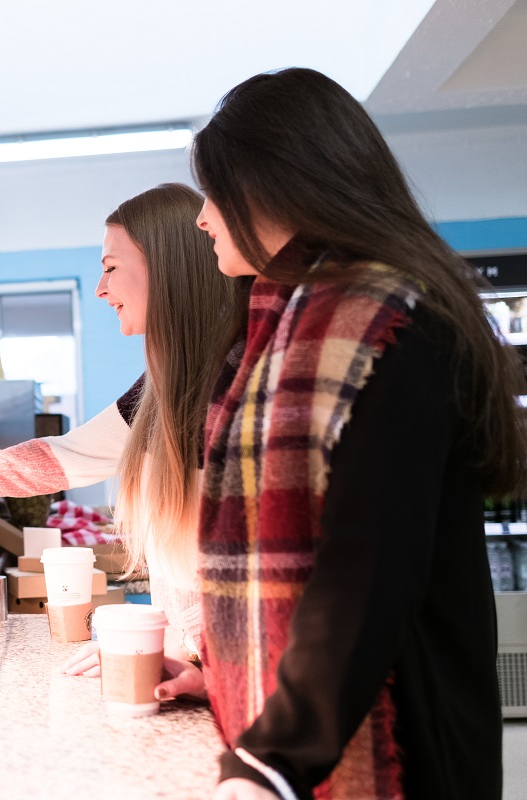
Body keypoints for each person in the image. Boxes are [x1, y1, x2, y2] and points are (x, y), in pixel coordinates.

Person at [190, 68, 526, 800]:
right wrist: (222, 671)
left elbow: (364, 572)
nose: (202, 218)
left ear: (271, 189)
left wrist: (274, 756)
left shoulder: (390, 325)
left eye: (213, 194)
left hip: (405, 738)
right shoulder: (285, 320)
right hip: (330, 717)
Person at [0, 183, 247, 698]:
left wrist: (192, 659)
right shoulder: (166, 386)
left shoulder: (235, 382)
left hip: (236, 682)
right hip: (209, 673)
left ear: (165, 267)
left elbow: (248, 569)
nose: (100, 288)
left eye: (111, 267)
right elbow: (68, 456)